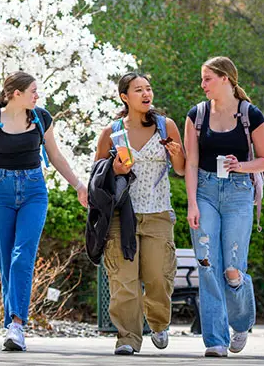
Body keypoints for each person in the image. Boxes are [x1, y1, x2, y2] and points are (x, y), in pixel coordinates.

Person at [0, 71, 87, 352]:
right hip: (0, 193)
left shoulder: (41, 118)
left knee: (22, 256)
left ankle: (17, 325)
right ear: (15, 94)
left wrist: (79, 185)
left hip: (33, 191)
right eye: (33, 90)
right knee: (7, 261)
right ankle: (11, 326)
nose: (37, 95)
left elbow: (55, 156)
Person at [183, 56, 264, 357]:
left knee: (233, 269)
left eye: (207, 78)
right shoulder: (196, 115)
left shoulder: (251, 115)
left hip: (238, 193)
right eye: (202, 79)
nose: (202, 84)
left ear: (225, 79)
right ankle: (215, 341)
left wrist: (241, 165)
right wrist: (192, 203)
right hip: (205, 191)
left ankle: (242, 323)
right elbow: (191, 162)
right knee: (208, 264)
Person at [94, 72, 186, 355]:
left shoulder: (165, 126)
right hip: (122, 216)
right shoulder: (112, 132)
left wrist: (176, 153)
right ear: (124, 97)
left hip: (158, 213)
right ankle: (127, 337)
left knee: (159, 276)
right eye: (138, 90)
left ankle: (158, 323)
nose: (146, 94)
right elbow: (98, 174)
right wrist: (116, 169)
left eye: (148, 88)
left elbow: (181, 169)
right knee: (124, 281)